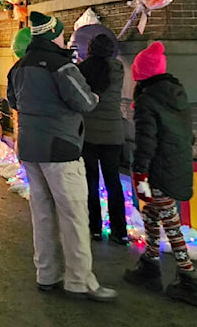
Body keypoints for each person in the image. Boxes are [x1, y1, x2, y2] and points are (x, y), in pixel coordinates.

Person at [6, 12, 117, 302]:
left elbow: (13, 101)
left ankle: (46, 274)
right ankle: (80, 281)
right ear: (53, 35)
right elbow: (84, 101)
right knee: (73, 215)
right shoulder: (62, 67)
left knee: (42, 213)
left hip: (29, 149)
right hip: (61, 148)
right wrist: (95, 99)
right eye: (60, 33)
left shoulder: (18, 67)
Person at [123, 41, 197, 307]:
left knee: (170, 223)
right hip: (177, 166)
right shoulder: (177, 95)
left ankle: (188, 278)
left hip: (158, 171)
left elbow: (147, 140)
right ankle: (149, 263)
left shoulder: (147, 101)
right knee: (152, 215)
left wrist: (140, 171)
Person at [78, 34, 129, 245]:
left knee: (90, 181)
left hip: (89, 133)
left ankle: (95, 228)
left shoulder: (83, 70)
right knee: (113, 182)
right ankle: (120, 231)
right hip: (113, 134)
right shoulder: (118, 70)